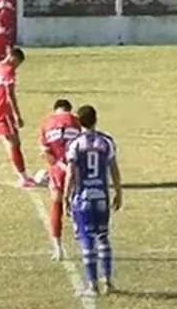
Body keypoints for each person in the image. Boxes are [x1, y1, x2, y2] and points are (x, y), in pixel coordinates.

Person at [63, 105, 122, 297]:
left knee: (87, 238)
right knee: (103, 236)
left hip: (84, 196)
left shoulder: (75, 144)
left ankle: (92, 285)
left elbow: (71, 173)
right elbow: (113, 167)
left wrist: (66, 195)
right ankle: (108, 281)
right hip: (102, 196)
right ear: (96, 118)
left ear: (78, 122)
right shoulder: (106, 141)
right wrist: (118, 191)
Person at [0, 47, 36, 188]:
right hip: (3, 112)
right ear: (13, 58)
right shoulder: (9, 71)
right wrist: (17, 115)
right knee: (15, 143)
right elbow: (10, 95)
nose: (17, 66)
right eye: (17, 63)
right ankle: (24, 178)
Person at [39, 99, 81, 261]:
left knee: (56, 205)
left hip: (57, 170)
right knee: (77, 201)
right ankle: (80, 232)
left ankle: (58, 248)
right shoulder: (76, 121)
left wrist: (59, 165)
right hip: (76, 168)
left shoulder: (46, 122)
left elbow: (45, 153)